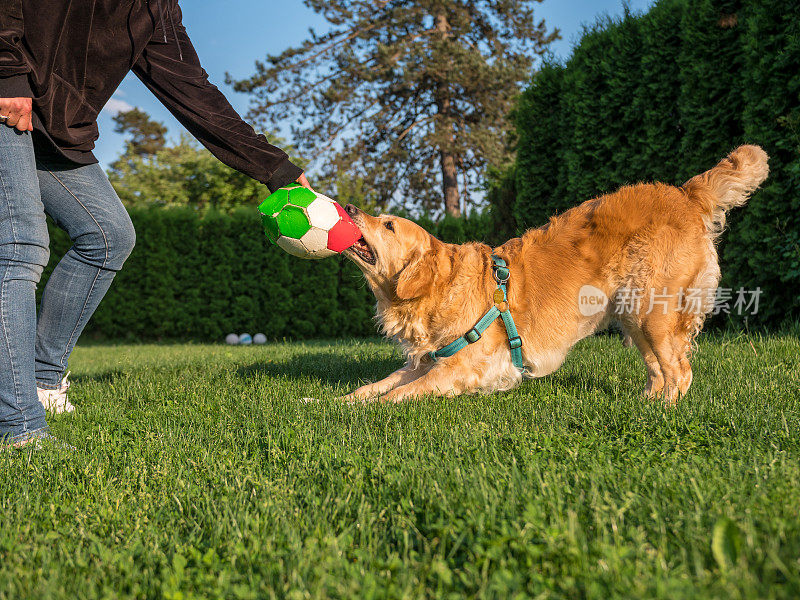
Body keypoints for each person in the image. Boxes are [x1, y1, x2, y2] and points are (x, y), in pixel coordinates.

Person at [0, 1, 309, 449]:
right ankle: (19, 427)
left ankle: (42, 382)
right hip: (7, 97)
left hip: (53, 130)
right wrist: (7, 74)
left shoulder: (155, 9)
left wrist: (274, 169)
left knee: (108, 237)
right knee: (21, 245)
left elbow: (192, 91)